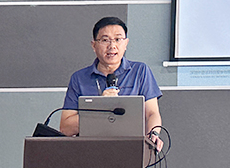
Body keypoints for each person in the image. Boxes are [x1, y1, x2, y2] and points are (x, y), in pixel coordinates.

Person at [59, 16, 163, 149]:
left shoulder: (140, 71)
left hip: (131, 148)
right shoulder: (79, 78)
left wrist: (153, 134)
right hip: (90, 150)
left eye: (118, 39)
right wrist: (100, 106)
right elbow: (66, 128)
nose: (112, 46)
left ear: (126, 43)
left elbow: (152, 113)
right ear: (94, 45)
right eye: (105, 40)